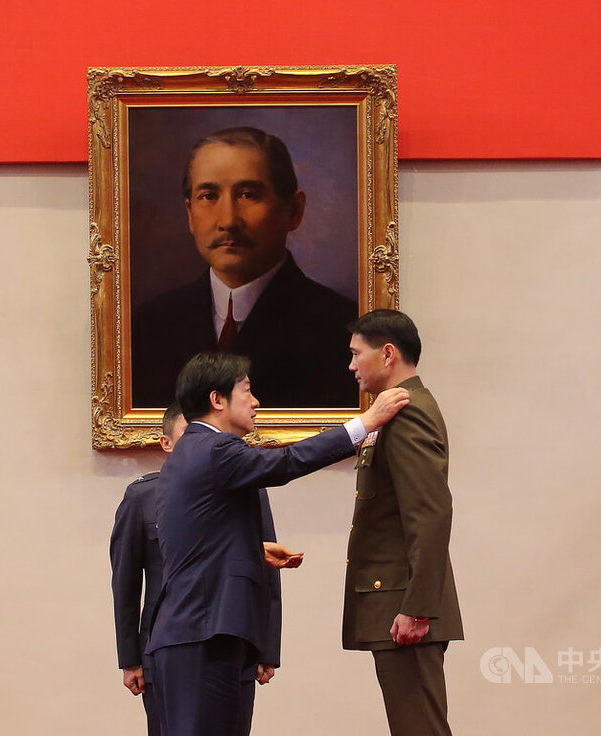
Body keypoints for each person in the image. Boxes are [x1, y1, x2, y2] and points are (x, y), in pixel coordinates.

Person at [147, 352, 410, 736]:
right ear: (217, 400)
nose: (256, 402)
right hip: (204, 634)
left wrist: (252, 551)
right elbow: (287, 462)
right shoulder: (215, 449)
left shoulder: (191, 451)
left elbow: (195, 540)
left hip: (195, 633)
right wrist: (365, 423)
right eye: (247, 391)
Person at [131, 126, 358, 409]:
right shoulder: (149, 326)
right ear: (189, 213)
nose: (228, 221)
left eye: (248, 195)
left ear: (294, 211)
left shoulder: (344, 329)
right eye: (209, 196)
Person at [108, 403, 287, 735]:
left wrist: (267, 648)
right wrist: (130, 658)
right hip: (166, 651)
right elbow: (126, 584)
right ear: (167, 443)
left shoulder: (248, 491)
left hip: (235, 643)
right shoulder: (142, 497)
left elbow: (266, 574)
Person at [342, 309, 463, 736]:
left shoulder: (407, 411)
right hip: (396, 602)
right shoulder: (392, 410)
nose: (352, 365)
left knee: (419, 728)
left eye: (357, 354)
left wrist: (417, 606)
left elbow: (430, 514)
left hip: (404, 606)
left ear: (388, 353)